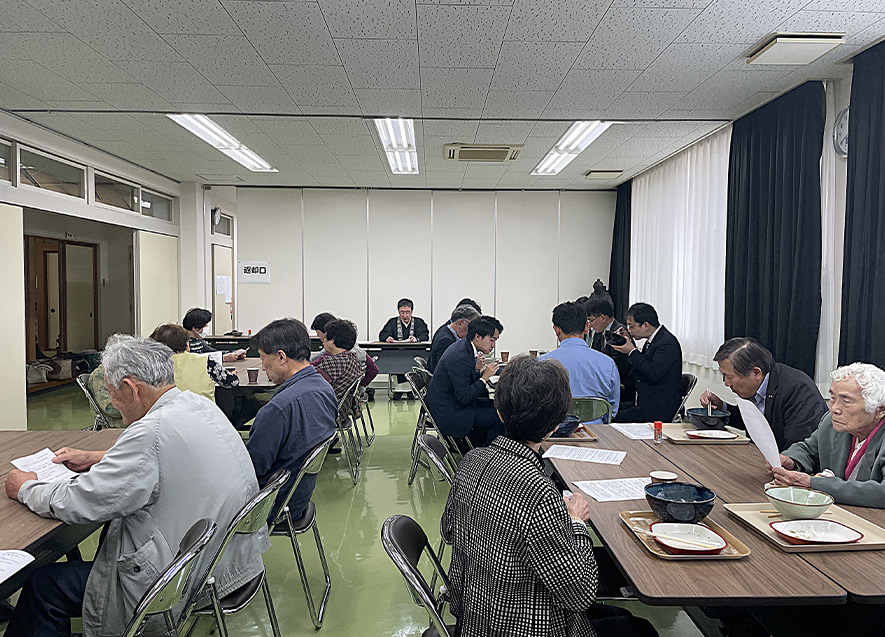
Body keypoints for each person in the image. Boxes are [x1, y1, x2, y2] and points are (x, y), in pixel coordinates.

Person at [3, 335, 267, 637]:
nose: (114, 405)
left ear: (131, 388)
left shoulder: (149, 432)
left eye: (113, 395)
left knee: (44, 584)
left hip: (176, 582)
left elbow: (82, 500)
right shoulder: (196, 404)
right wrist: (100, 457)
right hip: (226, 564)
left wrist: (26, 488)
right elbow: (170, 454)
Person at [442, 355, 657, 637]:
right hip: (525, 625)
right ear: (556, 425)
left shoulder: (472, 460)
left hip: (476, 616)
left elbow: (448, 530)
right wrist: (576, 521)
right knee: (640, 629)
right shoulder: (539, 491)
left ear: (500, 413)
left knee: (622, 618)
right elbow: (580, 594)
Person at [246, 318, 337, 521]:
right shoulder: (324, 389)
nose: (262, 367)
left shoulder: (278, 409)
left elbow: (251, 471)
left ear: (281, 357)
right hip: (297, 498)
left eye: (262, 358)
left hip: (272, 504)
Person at [768, 363, 885, 506]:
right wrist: (791, 460)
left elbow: (882, 493)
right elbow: (808, 449)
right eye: (833, 398)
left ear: (880, 410)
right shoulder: (832, 422)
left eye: (846, 401)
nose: (835, 408)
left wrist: (812, 483)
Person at [700, 337, 827, 451]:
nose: (726, 383)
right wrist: (721, 407)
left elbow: (798, 449)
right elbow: (755, 420)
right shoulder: (760, 385)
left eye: (729, 377)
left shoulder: (797, 390)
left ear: (756, 373)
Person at [425, 316, 504, 447]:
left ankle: (479, 447)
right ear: (478, 337)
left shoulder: (463, 347)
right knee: (499, 419)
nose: (493, 345)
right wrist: (484, 379)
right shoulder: (460, 356)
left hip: (450, 403)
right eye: (492, 340)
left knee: (496, 406)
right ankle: (485, 457)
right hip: (450, 412)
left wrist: (480, 373)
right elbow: (464, 397)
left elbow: (463, 379)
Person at [540, 302, 619, 414]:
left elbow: (538, 404)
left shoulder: (542, 364)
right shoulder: (608, 363)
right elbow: (612, 409)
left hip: (556, 428)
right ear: (586, 327)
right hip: (596, 429)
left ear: (557, 330)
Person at [611, 303, 682, 423]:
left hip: (656, 409)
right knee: (607, 410)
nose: (629, 330)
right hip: (643, 402)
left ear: (645, 325)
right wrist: (626, 344)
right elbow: (639, 368)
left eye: (632, 327)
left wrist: (632, 351)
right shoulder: (654, 340)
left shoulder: (667, 343)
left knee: (610, 417)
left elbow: (653, 373)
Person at [149, 323, 239, 402]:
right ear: (186, 344)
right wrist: (232, 375)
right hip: (204, 414)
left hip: (167, 416)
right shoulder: (205, 361)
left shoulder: (153, 365)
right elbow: (232, 382)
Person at [311, 312, 379, 394]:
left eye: (319, 334)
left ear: (332, 339)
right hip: (346, 401)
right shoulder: (354, 357)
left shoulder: (330, 361)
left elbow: (310, 379)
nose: (320, 338)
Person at [311, 319, 365, 401]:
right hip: (342, 406)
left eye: (325, 337)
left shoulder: (331, 362)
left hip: (325, 406)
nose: (323, 341)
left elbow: (311, 383)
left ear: (332, 341)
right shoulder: (353, 359)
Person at [428, 304, 480, 373]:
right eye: (472, 326)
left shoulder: (445, 329)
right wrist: (475, 367)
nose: (473, 330)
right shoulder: (446, 340)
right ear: (460, 323)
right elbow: (448, 370)